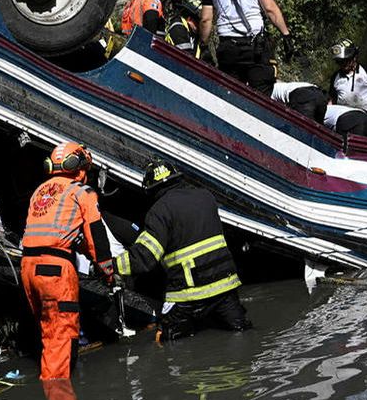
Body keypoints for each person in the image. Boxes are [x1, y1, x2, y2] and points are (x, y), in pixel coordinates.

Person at [106, 159, 250, 341]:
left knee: (167, 342)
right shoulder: (206, 197)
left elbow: (145, 257)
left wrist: (112, 265)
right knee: (242, 333)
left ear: (151, 189)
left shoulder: (159, 211)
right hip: (225, 288)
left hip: (188, 295)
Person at [22, 141, 118, 379]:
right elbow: (96, 238)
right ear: (79, 167)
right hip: (55, 271)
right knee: (60, 336)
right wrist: (108, 271)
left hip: (28, 268)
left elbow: (66, 236)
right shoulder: (82, 193)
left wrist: (88, 254)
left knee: (47, 330)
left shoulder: (40, 192)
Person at [330, 41, 367, 136]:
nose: (342, 64)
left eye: (345, 60)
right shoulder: (335, 77)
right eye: (339, 62)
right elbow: (332, 99)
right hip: (345, 117)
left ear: (354, 57)